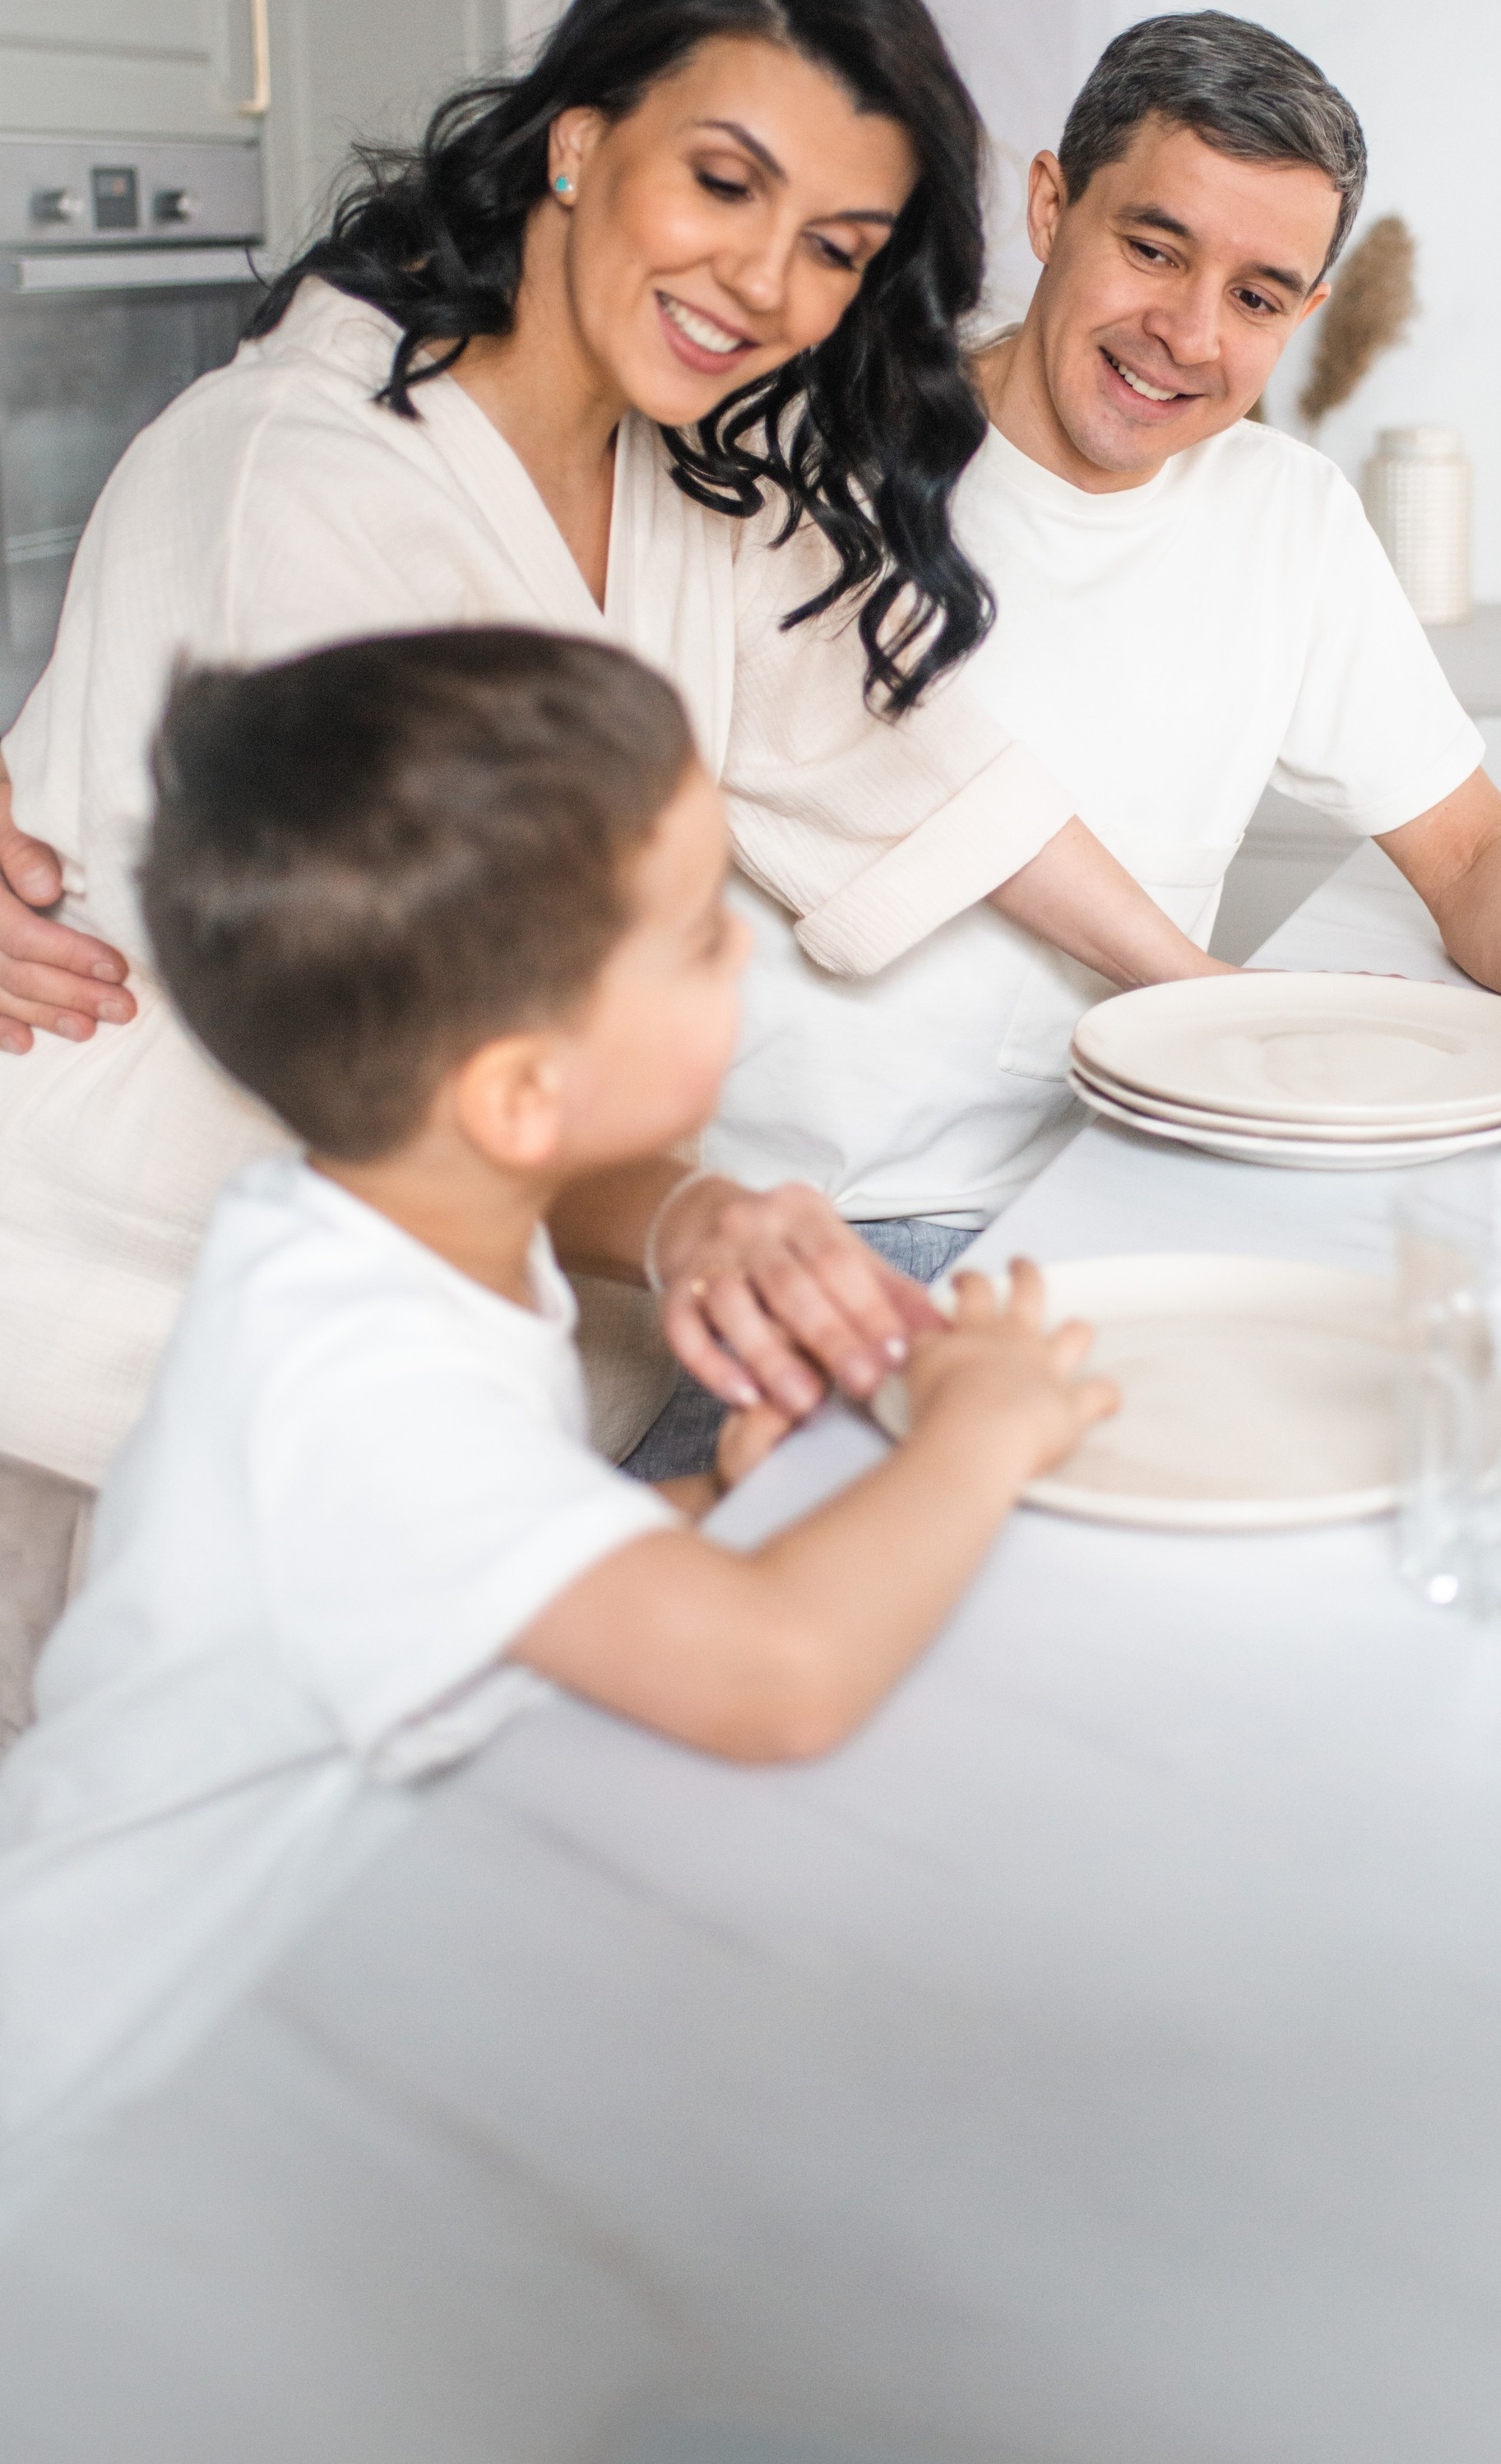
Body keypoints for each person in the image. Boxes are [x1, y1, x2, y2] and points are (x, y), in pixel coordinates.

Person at [0, 0, 1213, 1492]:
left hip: (468, 1356)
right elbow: (434, 1054)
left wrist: (1216, 1011)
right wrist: (688, 1216)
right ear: (578, 141)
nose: (767, 283)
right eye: (724, 183)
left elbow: (911, 773)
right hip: (136, 1354)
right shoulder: (307, 479)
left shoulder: (678, 483)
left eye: (838, 250)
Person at [0, 626, 1113, 2181]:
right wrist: (988, 1428)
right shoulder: (360, 1382)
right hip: (93, 2112)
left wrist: (713, 1506)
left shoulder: (373, 1242)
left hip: (258, 2017)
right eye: (696, 934)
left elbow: (466, 1577)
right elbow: (778, 1678)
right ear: (524, 1094)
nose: (745, 953)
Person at [697, 11, 1501, 1273]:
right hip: (806, 1219)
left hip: (1115, 1192)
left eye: (1253, 297)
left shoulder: (1286, 517)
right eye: (1152, 248)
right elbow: (946, 808)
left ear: (1307, 309)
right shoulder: (815, 461)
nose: (1189, 335)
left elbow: (1472, 852)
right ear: (1048, 207)